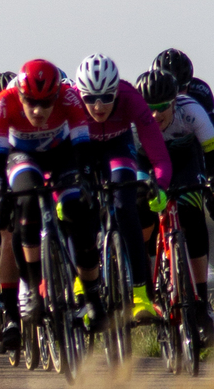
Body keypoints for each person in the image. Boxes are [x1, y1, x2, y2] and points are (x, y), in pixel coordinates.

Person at [0, 59, 97, 341]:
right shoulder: (4, 102)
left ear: (57, 96)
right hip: (21, 156)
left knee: (77, 212)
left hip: (61, 155)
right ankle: (33, 287)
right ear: (20, 96)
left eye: (46, 104)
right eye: (31, 103)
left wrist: (85, 180)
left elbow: (83, 148)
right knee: (26, 201)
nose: (38, 111)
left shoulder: (70, 98)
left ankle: (92, 295)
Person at [72, 52, 172, 324]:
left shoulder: (131, 98)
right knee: (83, 209)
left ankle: (141, 296)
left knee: (125, 206)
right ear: (79, 94)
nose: (99, 105)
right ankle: (83, 282)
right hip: (83, 153)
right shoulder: (69, 102)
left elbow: (159, 157)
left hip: (118, 149)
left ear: (117, 91)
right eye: (90, 98)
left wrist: (160, 186)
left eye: (106, 96)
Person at [136, 66, 214, 342]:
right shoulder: (133, 121)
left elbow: (213, 151)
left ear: (175, 101)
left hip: (184, 160)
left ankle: (200, 303)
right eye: (149, 107)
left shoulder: (192, 111)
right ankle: (142, 284)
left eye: (162, 107)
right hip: (145, 160)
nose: (155, 114)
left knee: (193, 217)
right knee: (140, 212)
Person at [151, 48, 214, 219]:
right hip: (156, 149)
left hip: (189, 147)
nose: (177, 97)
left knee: (193, 210)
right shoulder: (146, 91)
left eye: (181, 89)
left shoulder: (200, 93)